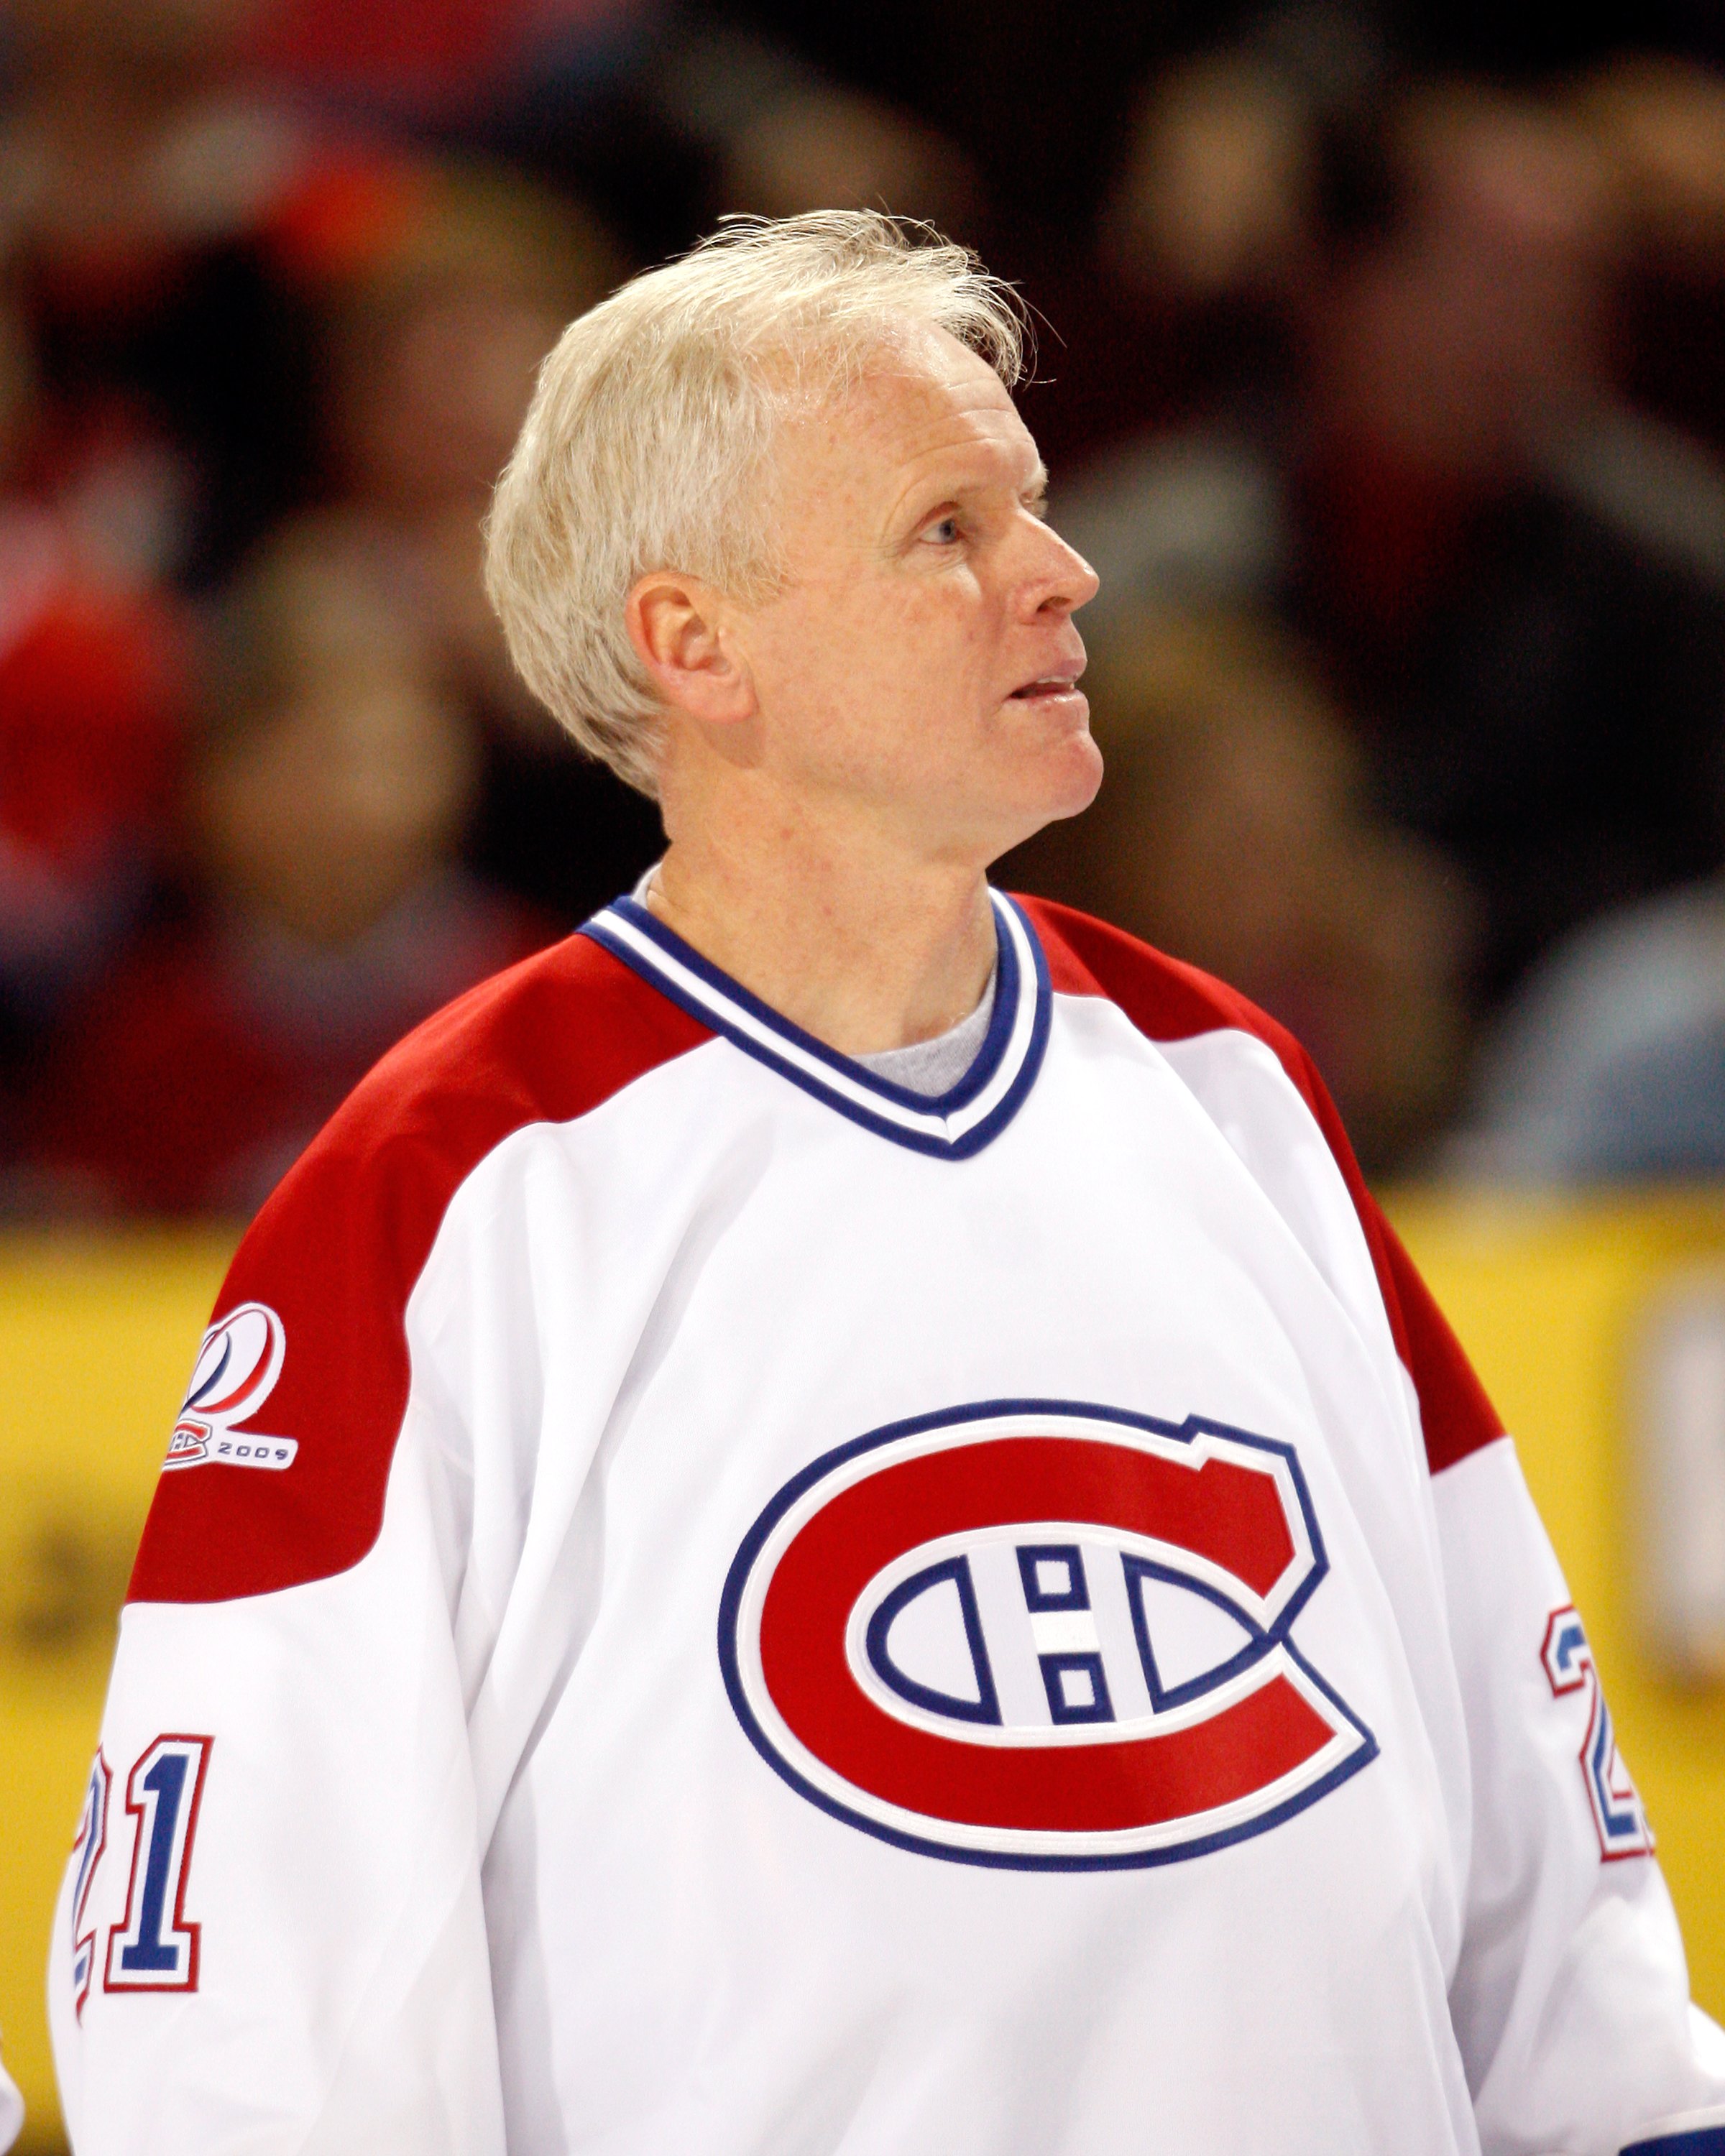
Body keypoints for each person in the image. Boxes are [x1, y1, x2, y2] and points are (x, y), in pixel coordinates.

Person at [50, 213, 1725, 2154]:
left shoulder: (1231, 1096)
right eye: (951, 529)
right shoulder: (453, 1188)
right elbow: (244, 2002)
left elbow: (1559, 1905)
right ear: (697, 644)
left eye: (1031, 506)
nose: (1065, 572)